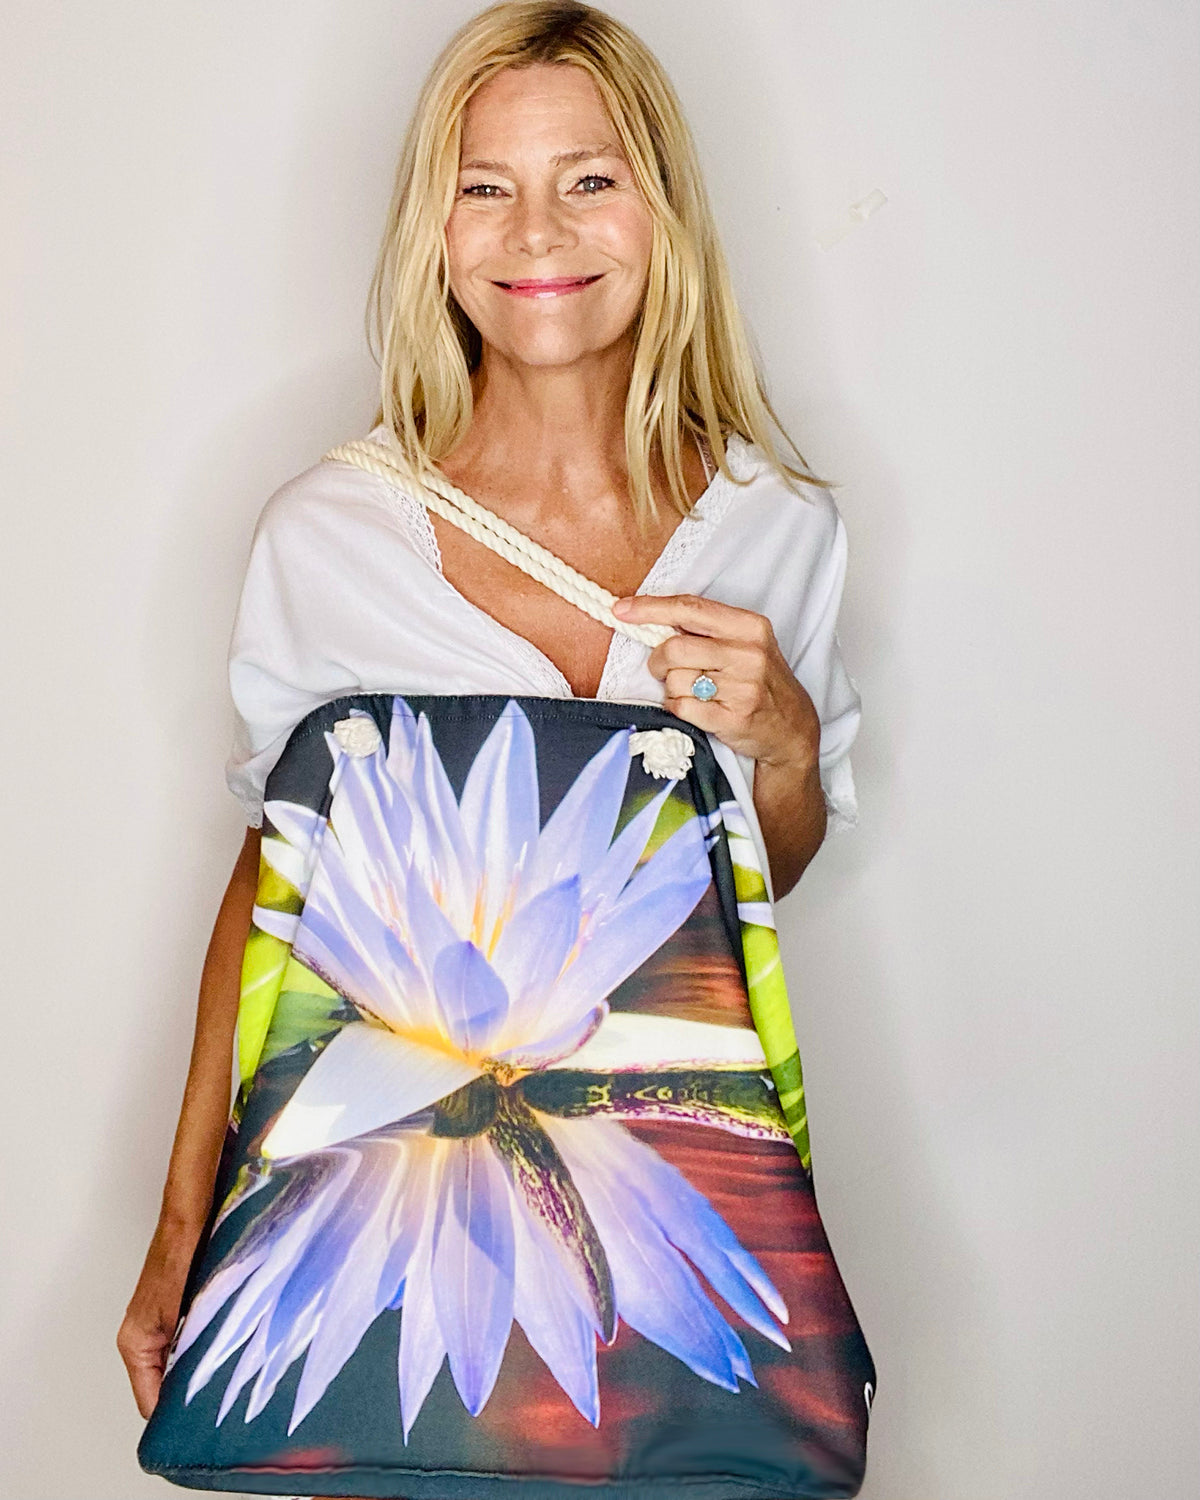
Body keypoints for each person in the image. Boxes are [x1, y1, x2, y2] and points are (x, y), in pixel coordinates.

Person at [119, 4, 874, 1496]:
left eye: (589, 178)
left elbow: (740, 898)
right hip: (380, 1242)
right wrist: (176, 1230)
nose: (539, 227)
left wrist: (782, 743)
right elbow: (272, 898)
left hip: (666, 1232)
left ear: (662, 210)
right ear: (435, 227)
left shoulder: (778, 527)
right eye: (486, 184)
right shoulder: (329, 538)